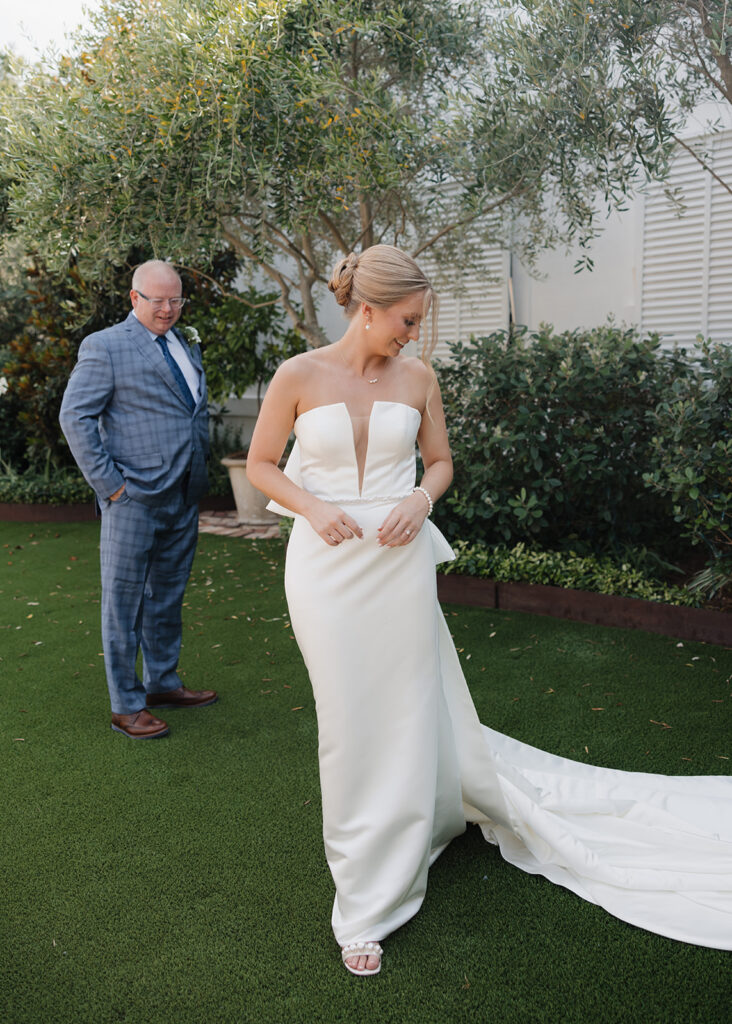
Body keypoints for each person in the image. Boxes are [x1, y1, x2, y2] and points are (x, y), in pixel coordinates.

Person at [246, 245, 732, 976]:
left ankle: (408, 850)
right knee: (349, 722)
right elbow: (260, 466)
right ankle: (367, 894)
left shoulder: (418, 377)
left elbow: (440, 462)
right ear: (368, 308)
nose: (415, 333)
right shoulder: (298, 374)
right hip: (323, 570)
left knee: (408, 709)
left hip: (399, 566)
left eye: (420, 322)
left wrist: (418, 497)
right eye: (407, 320)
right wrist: (312, 507)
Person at [60, 260, 217, 739]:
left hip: (182, 495)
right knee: (123, 604)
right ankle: (126, 705)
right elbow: (74, 417)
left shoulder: (183, 342)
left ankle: (162, 683)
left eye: (176, 300)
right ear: (134, 298)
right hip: (132, 499)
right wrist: (111, 487)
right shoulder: (105, 346)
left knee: (167, 598)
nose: (168, 309)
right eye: (157, 300)